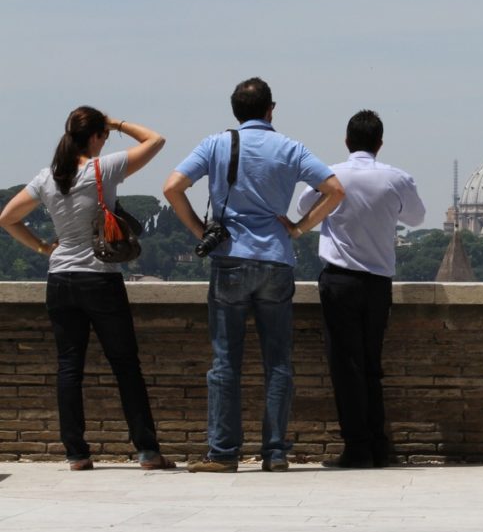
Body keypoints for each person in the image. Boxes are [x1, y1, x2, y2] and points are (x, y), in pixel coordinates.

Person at [163, 77, 344, 473]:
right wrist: (297, 228)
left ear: (235, 111)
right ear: (271, 109)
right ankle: (275, 452)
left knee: (225, 361)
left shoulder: (215, 144)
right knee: (278, 361)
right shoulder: (291, 148)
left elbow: (173, 186)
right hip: (276, 259)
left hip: (229, 258)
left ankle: (223, 453)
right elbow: (335, 190)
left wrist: (200, 231)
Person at [0, 106, 174, 471]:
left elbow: (7, 218)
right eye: (104, 135)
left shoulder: (46, 178)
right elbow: (156, 140)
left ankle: (76, 453)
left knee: (69, 367)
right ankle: (146, 450)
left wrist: (43, 247)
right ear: (94, 136)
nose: (106, 140)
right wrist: (117, 122)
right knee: (125, 365)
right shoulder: (102, 168)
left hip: (60, 279)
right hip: (99, 277)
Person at [291, 110, 425, 469]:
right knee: (371, 364)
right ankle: (377, 444)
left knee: (345, 367)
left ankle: (358, 447)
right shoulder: (396, 178)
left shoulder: (329, 176)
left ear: (347, 142)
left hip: (339, 281)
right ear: (380, 144)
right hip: (379, 283)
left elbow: (303, 208)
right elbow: (417, 218)